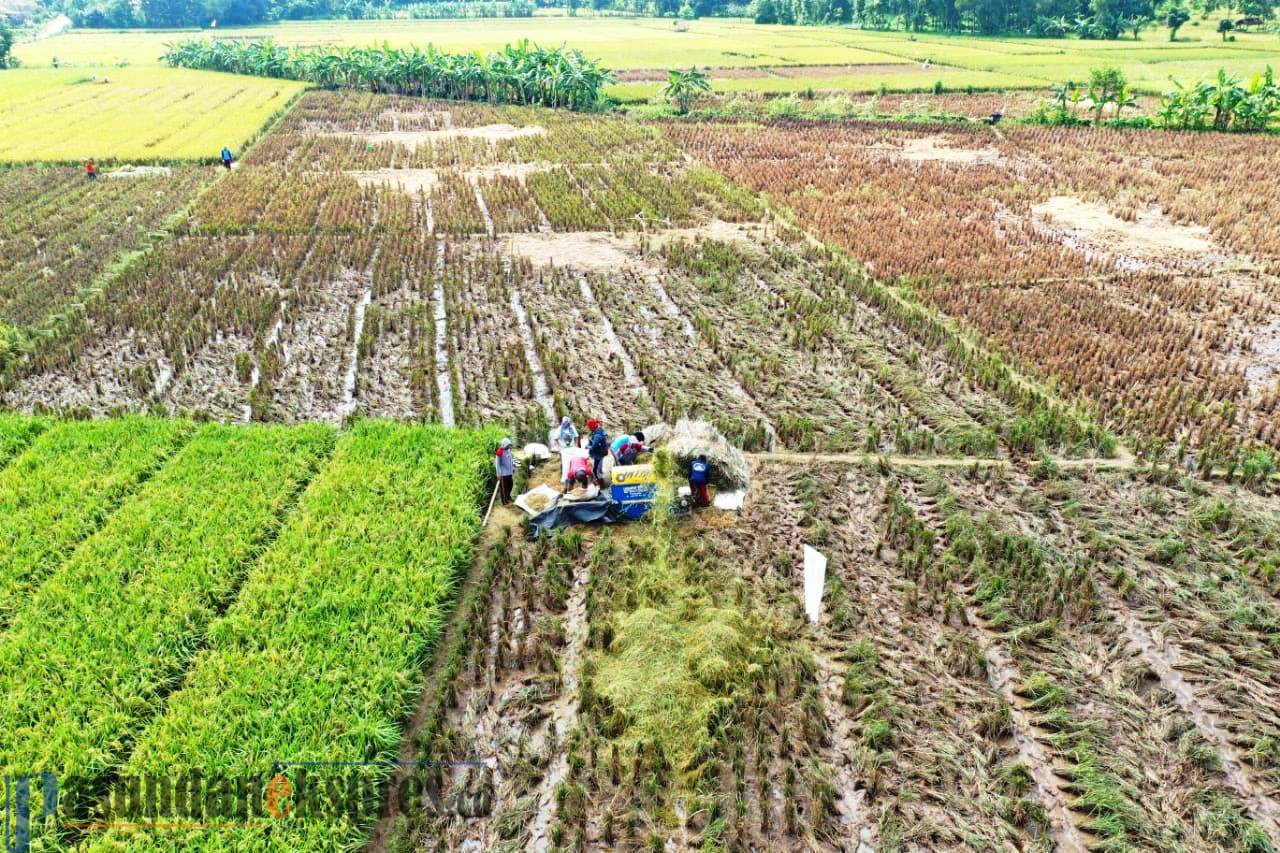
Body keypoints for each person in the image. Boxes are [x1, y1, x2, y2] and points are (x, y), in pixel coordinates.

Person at [586, 418, 608, 483]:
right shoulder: (600, 430)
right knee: (600, 465)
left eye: (589, 427)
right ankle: (600, 475)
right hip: (602, 451)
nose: (588, 429)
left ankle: (600, 482)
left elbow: (594, 446)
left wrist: (587, 446)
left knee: (596, 469)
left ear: (592, 427)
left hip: (599, 453)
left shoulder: (597, 435)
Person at [495, 437, 516, 504]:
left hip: (509, 473)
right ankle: (504, 502)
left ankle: (508, 496)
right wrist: (498, 474)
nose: (509, 446)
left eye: (510, 445)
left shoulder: (508, 451)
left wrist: (513, 468)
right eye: (508, 445)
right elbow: (497, 464)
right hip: (503, 474)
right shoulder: (500, 452)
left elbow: (511, 460)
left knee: (511, 485)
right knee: (504, 489)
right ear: (505, 445)